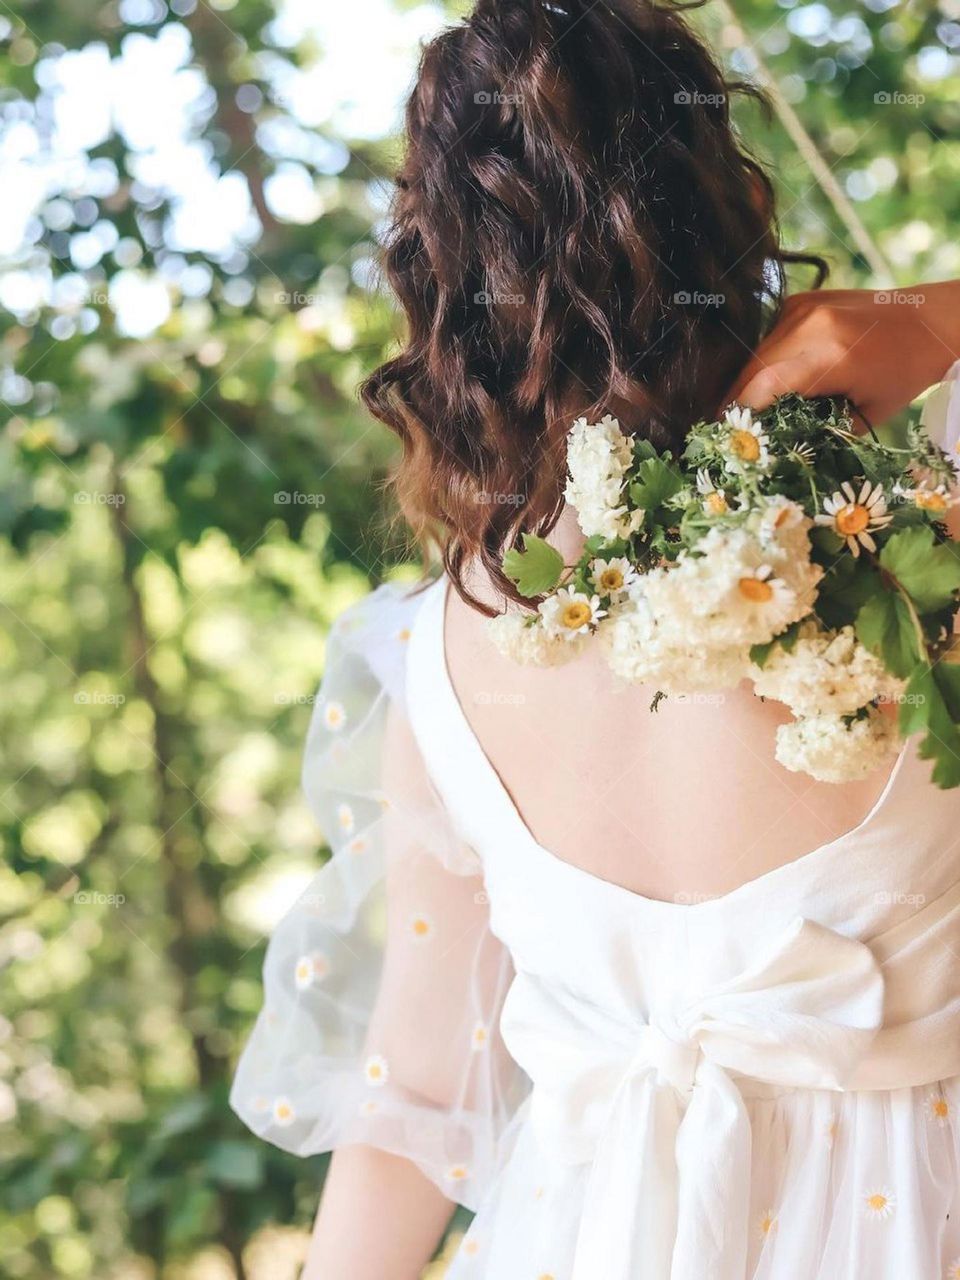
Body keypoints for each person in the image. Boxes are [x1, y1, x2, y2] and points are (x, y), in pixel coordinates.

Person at [230, 2, 960, 1277]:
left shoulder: (441, 661)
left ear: (438, 279)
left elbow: (409, 1106)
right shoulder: (917, 522)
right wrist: (938, 313)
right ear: (727, 201)